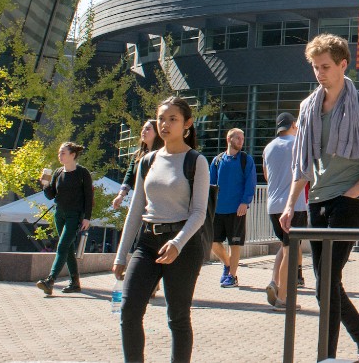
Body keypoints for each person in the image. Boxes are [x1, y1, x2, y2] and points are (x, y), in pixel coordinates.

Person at [279, 34, 359, 363]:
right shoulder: (308, 107)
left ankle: (328, 355)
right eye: (315, 67)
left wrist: (352, 194)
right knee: (324, 283)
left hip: (349, 201)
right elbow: (303, 163)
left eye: (325, 66)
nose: (319, 73)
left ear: (343, 65)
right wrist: (289, 204)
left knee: (326, 282)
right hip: (317, 201)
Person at [115, 96, 210, 363]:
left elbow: (199, 213)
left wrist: (177, 243)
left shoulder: (196, 161)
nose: (165, 125)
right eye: (161, 119)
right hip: (147, 242)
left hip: (183, 244)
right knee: (129, 312)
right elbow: (135, 211)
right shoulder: (147, 161)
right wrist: (121, 256)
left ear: (187, 124)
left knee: (178, 317)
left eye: (173, 119)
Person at [36, 142, 94, 296]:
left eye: (63, 153)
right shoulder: (58, 172)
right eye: (59, 153)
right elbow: (51, 196)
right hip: (59, 214)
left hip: (74, 215)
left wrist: (87, 217)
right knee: (67, 248)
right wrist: (45, 184)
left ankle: (50, 281)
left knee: (62, 246)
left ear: (72, 155)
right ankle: (75, 283)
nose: (59, 156)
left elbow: (89, 197)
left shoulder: (83, 173)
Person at [262, 112, 305, 310]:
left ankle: (274, 281)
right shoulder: (297, 144)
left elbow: (266, 175)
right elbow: (307, 172)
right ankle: (284, 298)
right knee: (291, 250)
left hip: (273, 205)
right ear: (293, 125)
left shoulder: (268, 148)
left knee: (285, 246)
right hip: (293, 205)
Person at [209, 127, 256, 288]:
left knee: (235, 244)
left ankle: (232, 276)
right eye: (238, 139)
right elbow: (211, 185)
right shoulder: (217, 161)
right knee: (213, 242)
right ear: (229, 139)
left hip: (237, 209)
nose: (241, 142)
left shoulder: (245, 160)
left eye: (242, 139)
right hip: (218, 210)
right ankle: (228, 264)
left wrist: (245, 202)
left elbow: (250, 183)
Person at [114, 120, 162, 209]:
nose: (143, 132)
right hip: (139, 199)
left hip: (158, 201)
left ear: (157, 132)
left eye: (148, 129)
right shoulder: (137, 154)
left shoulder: (163, 154)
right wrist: (121, 195)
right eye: (143, 129)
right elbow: (129, 176)